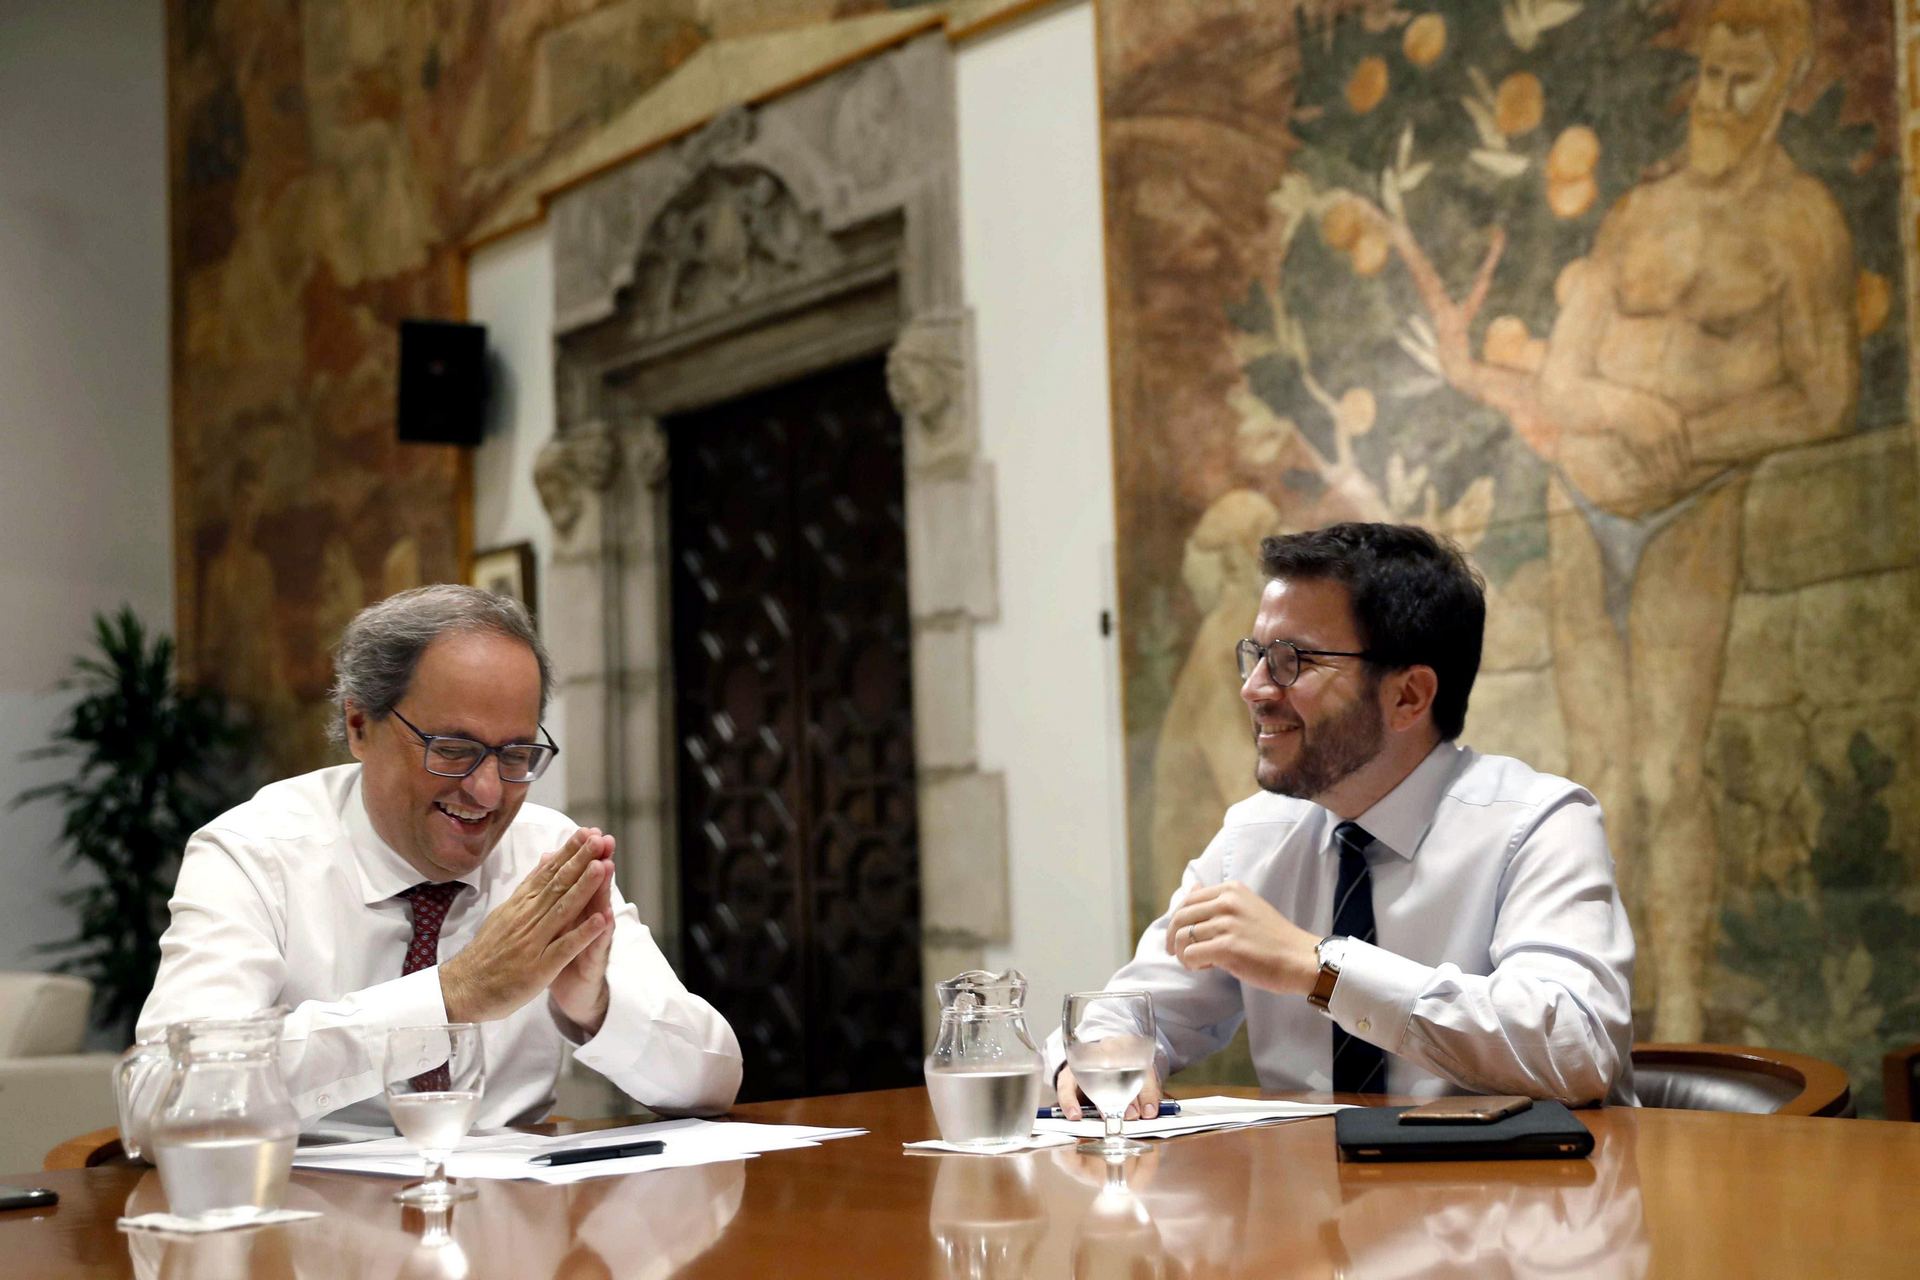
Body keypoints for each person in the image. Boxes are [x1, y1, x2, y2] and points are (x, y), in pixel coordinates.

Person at [1049, 523, 1636, 1115]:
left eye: (1290, 661)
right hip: (1304, 1199)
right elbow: (1130, 1011)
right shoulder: (1252, 839)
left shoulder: (1540, 824)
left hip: (1508, 1199)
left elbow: (1576, 1050)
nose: (1254, 689)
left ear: (1408, 696)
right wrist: (1099, 1054)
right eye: (1255, 656)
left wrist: (1322, 968)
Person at [139, 584, 743, 1130]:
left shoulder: (544, 855)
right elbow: (163, 1095)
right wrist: (451, 996)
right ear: (358, 725)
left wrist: (598, 1007)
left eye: (516, 755)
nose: (487, 792)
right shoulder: (253, 856)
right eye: (453, 750)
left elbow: (713, 1081)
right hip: (311, 1226)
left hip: (511, 1226)